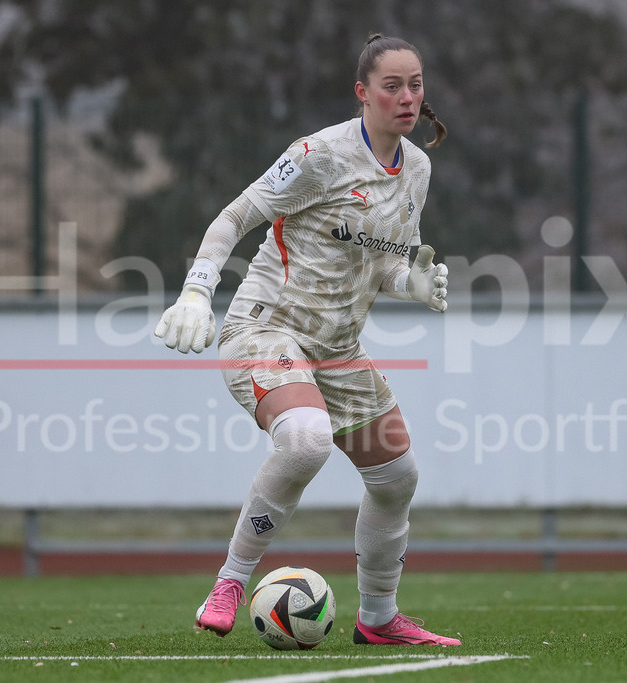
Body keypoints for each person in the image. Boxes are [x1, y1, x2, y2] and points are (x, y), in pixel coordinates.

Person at [154, 33, 459, 647]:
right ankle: (233, 579)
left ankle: (377, 618)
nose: (407, 97)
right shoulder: (319, 153)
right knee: (307, 441)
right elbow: (233, 217)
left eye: (415, 84)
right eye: (392, 86)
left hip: (338, 349)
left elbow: (384, 258)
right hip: (265, 329)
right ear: (362, 93)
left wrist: (413, 282)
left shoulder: (418, 167)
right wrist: (195, 291)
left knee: (398, 476)